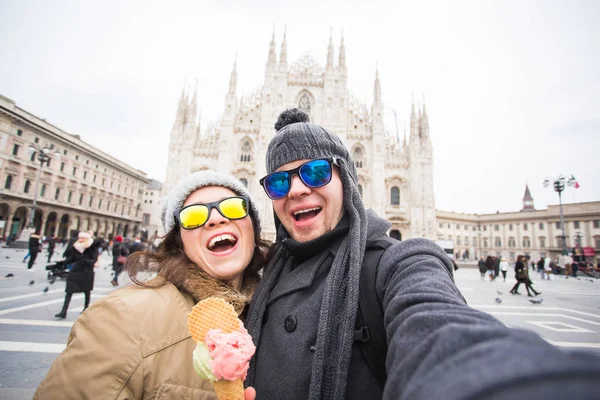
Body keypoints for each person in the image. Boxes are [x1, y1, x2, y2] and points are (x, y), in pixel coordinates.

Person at [244, 109, 600, 400]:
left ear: (347, 179)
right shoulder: (262, 273)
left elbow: (438, 329)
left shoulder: (394, 264)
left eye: (316, 172)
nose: (298, 189)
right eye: (279, 181)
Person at [34, 170, 269, 399]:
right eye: (193, 215)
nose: (217, 218)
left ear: (253, 226)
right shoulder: (123, 320)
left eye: (234, 207)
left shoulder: (273, 309)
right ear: (178, 241)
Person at [54, 231, 100, 319]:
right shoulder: (76, 246)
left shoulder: (93, 247)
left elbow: (94, 260)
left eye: (83, 238)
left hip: (87, 272)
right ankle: (64, 311)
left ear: (87, 239)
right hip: (75, 271)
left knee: (87, 291)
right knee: (69, 291)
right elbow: (72, 258)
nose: (81, 240)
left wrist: (84, 261)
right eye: (80, 238)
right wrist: (61, 263)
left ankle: (86, 308)